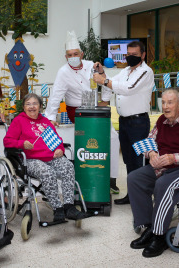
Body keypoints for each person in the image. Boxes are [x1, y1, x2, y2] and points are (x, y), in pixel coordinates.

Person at [127, 89, 179, 258]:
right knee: (134, 178)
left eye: (170, 102)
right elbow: (149, 142)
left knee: (163, 184)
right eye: (163, 102)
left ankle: (159, 236)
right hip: (162, 166)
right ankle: (149, 226)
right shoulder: (161, 121)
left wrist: (174, 158)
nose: (165, 106)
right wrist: (151, 154)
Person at [44, 30, 121, 194]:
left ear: (81, 54)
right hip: (77, 111)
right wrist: (49, 118)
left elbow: (104, 83)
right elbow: (55, 96)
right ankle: (83, 175)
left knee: (113, 136)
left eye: (75, 53)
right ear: (66, 57)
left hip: (95, 109)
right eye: (69, 54)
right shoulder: (63, 72)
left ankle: (111, 179)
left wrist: (105, 99)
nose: (73, 56)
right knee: (85, 140)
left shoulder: (91, 65)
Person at [4, 93, 86, 222]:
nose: (32, 107)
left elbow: (57, 139)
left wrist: (60, 149)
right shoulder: (19, 121)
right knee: (47, 172)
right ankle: (58, 209)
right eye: (28, 104)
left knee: (68, 167)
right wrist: (22, 144)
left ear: (40, 107)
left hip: (51, 157)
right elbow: (7, 141)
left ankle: (69, 207)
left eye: (35, 104)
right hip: (30, 160)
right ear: (24, 107)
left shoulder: (45, 121)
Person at [93, 40, 154, 205]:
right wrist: (103, 74)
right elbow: (112, 82)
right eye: (128, 54)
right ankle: (132, 194)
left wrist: (104, 81)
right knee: (127, 160)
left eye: (134, 55)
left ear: (143, 55)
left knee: (139, 160)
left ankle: (143, 196)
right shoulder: (126, 70)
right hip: (125, 122)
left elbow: (127, 88)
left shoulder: (146, 72)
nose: (130, 57)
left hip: (138, 122)